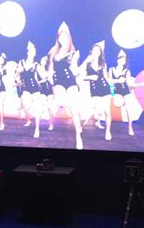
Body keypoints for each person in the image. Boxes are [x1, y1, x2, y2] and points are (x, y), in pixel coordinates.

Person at [48, 21, 83, 150]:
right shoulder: (53, 52)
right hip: (58, 81)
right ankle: (69, 112)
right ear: (58, 39)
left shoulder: (74, 52)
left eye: (65, 36)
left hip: (70, 80)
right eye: (60, 36)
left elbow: (74, 70)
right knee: (61, 101)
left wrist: (77, 66)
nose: (63, 39)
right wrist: (50, 78)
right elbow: (51, 70)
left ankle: (78, 136)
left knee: (74, 108)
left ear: (69, 38)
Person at [108, 49, 144, 136]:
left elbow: (129, 83)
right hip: (117, 91)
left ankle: (130, 128)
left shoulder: (127, 71)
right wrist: (118, 81)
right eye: (120, 59)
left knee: (129, 108)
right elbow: (110, 81)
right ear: (117, 60)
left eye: (124, 60)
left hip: (126, 91)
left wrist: (140, 84)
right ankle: (123, 102)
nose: (122, 61)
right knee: (117, 103)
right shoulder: (111, 69)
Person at [81, 40, 112, 141]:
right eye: (94, 50)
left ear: (100, 53)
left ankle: (108, 131)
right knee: (95, 110)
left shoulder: (103, 64)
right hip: (95, 89)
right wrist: (90, 77)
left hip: (105, 88)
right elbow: (81, 76)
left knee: (107, 111)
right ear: (91, 51)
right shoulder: (87, 63)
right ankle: (94, 121)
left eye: (98, 51)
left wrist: (114, 84)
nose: (96, 52)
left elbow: (106, 78)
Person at [16, 41, 39, 129]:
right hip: (25, 87)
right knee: (26, 105)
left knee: (36, 108)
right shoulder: (22, 62)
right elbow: (17, 75)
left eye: (34, 50)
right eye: (31, 50)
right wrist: (18, 75)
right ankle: (29, 119)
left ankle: (37, 129)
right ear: (27, 52)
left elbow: (38, 76)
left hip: (34, 86)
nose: (33, 51)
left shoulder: (36, 64)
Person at [34, 55, 54, 138]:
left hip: (49, 89)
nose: (44, 61)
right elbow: (37, 81)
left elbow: (51, 81)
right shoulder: (37, 69)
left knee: (50, 107)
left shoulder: (48, 70)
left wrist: (48, 78)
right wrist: (43, 79)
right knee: (38, 108)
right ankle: (37, 129)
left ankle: (51, 124)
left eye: (45, 60)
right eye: (43, 59)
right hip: (41, 90)